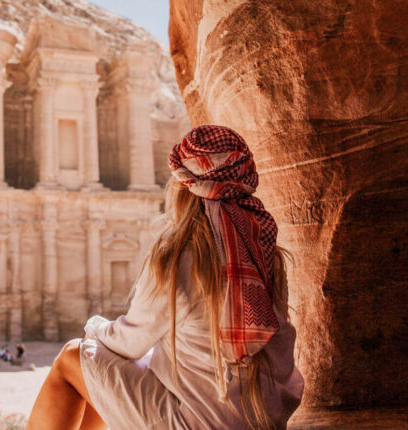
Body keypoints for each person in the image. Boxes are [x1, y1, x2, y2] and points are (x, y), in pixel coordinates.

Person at [26, 126, 304, 430]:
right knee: (109, 377)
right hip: (264, 417)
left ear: (185, 185)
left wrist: (94, 327)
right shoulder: (267, 251)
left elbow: (130, 342)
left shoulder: (178, 256)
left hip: (205, 423)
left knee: (73, 357)